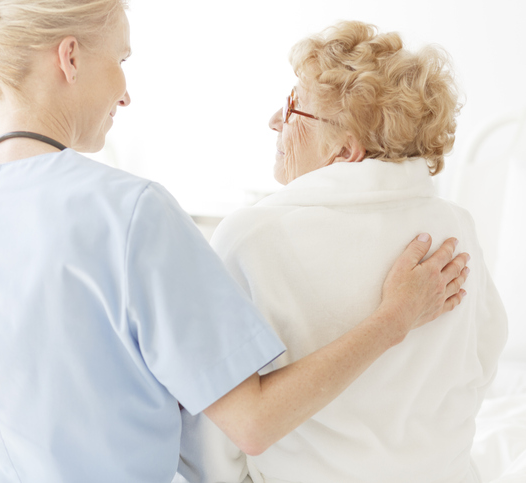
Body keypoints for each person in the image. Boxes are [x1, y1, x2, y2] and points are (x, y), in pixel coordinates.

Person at [0, 3, 469, 482]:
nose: (125, 95)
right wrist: (394, 318)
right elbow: (252, 422)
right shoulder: (131, 212)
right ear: (70, 58)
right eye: (121, 61)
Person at [177, 21, 507, 483]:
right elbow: (483, 361)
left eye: (294, 106)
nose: (275, 119)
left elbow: (215, 438)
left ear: (345, 149)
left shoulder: (253, 237)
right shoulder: (455, 229)